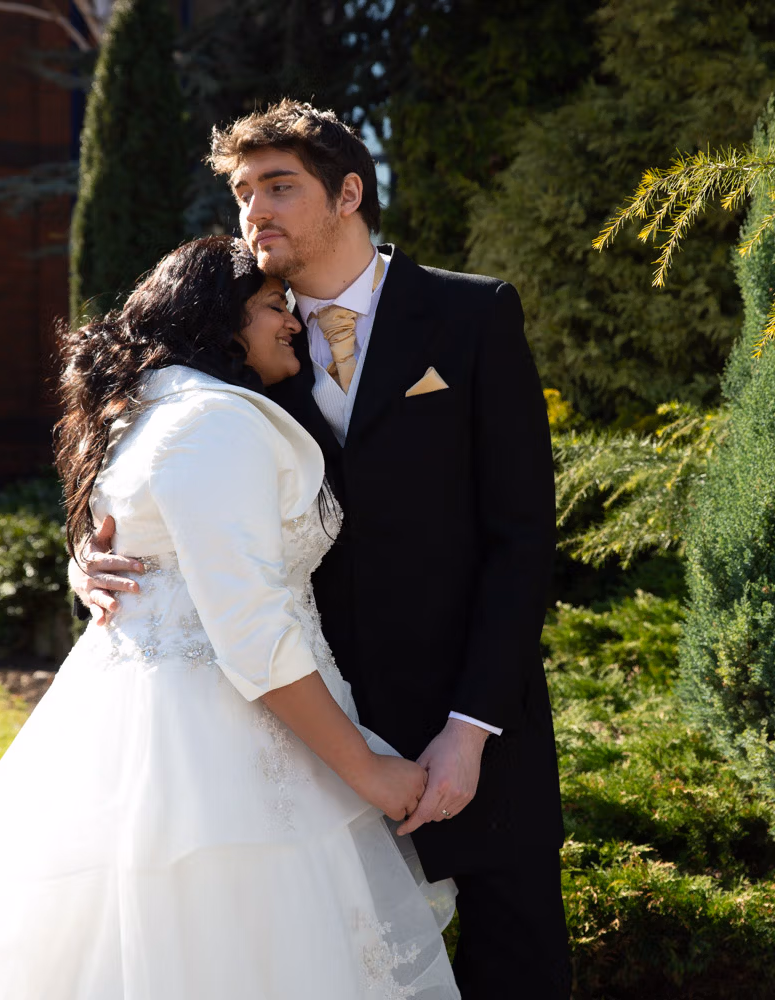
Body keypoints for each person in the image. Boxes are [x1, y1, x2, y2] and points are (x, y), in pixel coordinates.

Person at [76, 101, 571, 998]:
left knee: (516, 964)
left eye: (278, 187)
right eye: (241, 192)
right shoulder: (239, 341)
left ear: (349, 193)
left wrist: (472, 730)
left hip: (467, 731)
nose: (253, 212)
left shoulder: (472, 315)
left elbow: (522, 538)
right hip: (304, 745)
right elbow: (148, 471)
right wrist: (93, 555)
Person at [0, 235, 461, 1000]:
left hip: (148, 733)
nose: (294, 321)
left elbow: (155, 551)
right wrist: (365, 769)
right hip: (222, 754)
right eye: (274, 307)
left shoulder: (144, 415)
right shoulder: (214, 422)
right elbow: (251, 632)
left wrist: (83, 563)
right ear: (218, 320)